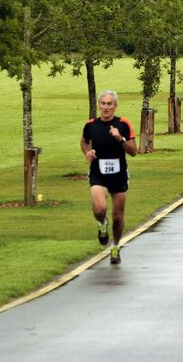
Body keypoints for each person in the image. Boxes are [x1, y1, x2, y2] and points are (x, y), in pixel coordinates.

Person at [80, 90, 138, 265]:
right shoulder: (91, 125)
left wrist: (119, 138)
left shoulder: (123, 124)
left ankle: (115, 247)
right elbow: (83, 141)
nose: (105, 107)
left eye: (109, 104)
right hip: (98, 171)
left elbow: (134, 151)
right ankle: (102, 223)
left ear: (115, 106)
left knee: (118, 216)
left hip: (119, 173)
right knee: (99, 209)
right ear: (99, 105)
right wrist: (87, 152)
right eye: (103, 103)